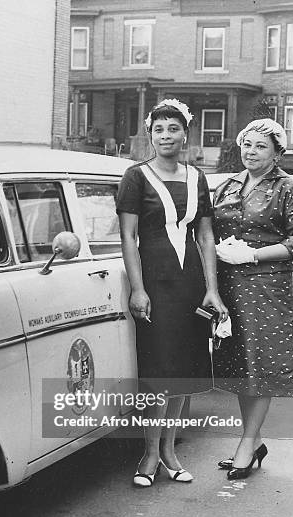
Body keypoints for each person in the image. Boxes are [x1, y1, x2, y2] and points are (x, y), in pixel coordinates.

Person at [116, 99, 228, 487]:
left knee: (182, 371)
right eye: (159, 129)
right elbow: (128, 236)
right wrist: (138, 289)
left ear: (186, 134)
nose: (166, 136)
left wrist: (212, 289)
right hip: (155, 285)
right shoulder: (136, 176)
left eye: (173, 129)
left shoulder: (197, 177)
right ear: (150, 135)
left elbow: (206, 234)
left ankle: (170, 452)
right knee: (159, 372)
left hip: (190, 284)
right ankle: (148, 454)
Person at [213, 118, 293, 480]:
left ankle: (246, 443)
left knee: (261, 365)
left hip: (268, 287)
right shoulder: (227, 185)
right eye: (247, 143)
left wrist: (254, 255)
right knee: (241, 366)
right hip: (230, 285)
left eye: (261, 146)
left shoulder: (287, 187)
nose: (251, 151)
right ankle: (255, 438)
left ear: (278, 151)